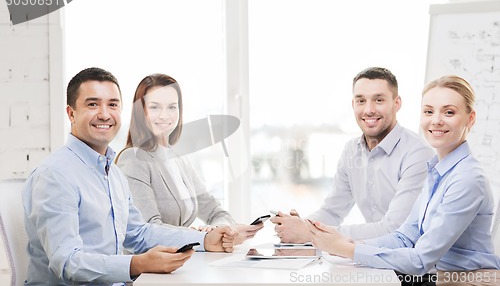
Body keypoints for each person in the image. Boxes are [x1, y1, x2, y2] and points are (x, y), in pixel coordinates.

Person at [22, 67, 236, 285]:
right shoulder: (55, 175)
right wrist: (138, 264)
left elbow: (139, 233)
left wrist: (205, 240)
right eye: (92, 104)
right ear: (71, 113)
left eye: (112, 104)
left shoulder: (112, 173)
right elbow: (68, 263)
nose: (104, 114)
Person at [307, 75, 500, 285]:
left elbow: (419, 260)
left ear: (470, 118)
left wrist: (348, 249)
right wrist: (353, 243)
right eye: (428, 111)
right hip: (438, 275)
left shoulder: (467, 178)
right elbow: (405, 237)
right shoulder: (438, 170)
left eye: (449, 112)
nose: (436, 120)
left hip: (467, 280)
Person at [271, 67, 435, 241]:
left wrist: (310, 233)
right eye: (361, 101)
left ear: (397, 103)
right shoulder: (351, 150)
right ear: (353, 104)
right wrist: (302, 225)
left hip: (410, 263)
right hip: (373, 257)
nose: (369, 109)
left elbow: (395, 228)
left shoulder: (418, 154)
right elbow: (332, 211)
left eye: (379, 100)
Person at [116, 73, 263, 245]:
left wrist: (220, 229)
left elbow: (215, 212)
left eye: (172, 107)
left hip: (179, 264)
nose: (165, 115)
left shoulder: (179, 160)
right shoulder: (134, 159)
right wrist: (204, 238)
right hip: (149, 268)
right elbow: (149, 229)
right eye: (155, 107)